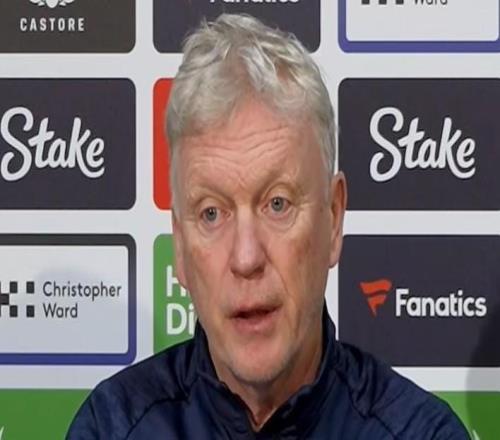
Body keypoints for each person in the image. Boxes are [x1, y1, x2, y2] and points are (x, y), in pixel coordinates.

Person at [67, 14, 469, 439]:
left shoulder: (420, 433)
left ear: (333, 219)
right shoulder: (110, 427)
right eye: (211, 213)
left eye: (277, 204)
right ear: (180, 246)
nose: (246, 257)